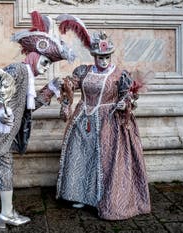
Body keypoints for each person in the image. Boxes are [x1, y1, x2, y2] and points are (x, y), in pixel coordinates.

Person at [0, 11, 74, 229]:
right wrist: (1, 113)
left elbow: (28, 107)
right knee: (4, 171)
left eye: (49, 64)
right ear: (34, 55)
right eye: (45, 62)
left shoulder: (27, 79)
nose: (46, 68)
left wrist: (51, 89)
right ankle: (7, 213)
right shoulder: (18, 69)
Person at [55, 14, 151, 220]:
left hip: (109, 122)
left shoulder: (119, 75)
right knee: (82, 156)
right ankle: (82, 195)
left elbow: (128, 94)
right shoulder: (84, 70)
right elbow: (72, 82)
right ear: (94, 56)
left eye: (107, 56)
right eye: (100, 57)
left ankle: (103, 198)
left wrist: (125, 102)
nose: (104, 60)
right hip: (83, 119)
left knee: (104, 160)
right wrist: (66, 86)